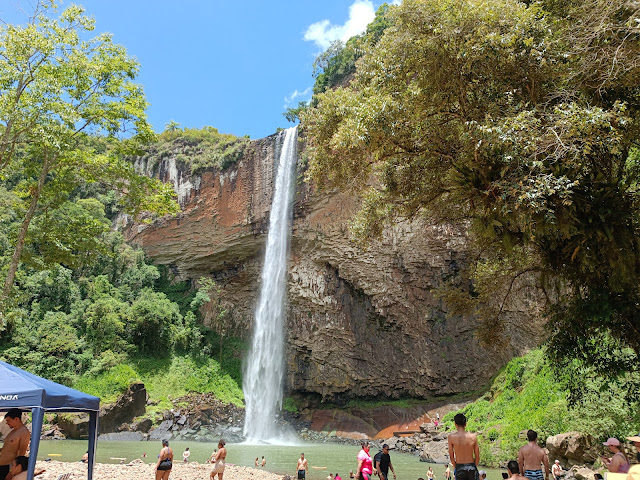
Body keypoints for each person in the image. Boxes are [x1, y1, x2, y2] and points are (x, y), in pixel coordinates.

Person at [448, 413, 480, 480]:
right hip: (471, 466)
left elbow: (451, 456)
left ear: (455, 424)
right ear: (465, 424)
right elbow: (477, 456)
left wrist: (455, 466)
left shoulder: (451, 437)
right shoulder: (473, 437)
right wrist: (474, 466)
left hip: (459, 466)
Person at [0, 409, 30, 480]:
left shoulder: (24, 432)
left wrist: (12, 472)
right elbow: (7, 448)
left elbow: (22, 453)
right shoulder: (13, 431)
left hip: (8, 467)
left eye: (8, 420)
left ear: (16, 419)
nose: (7, 423)